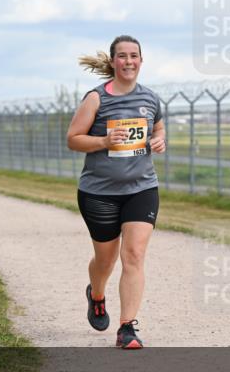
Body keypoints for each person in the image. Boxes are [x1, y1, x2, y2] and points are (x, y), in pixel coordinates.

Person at [67, 35, 166, 349]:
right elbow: (73, 138)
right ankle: (96, 294)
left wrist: (160, 140)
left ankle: (127, 328)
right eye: (122, 56)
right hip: (100, 192)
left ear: (141, 60)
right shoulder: (96, 99)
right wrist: (104, 142)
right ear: (113, 62)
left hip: (142, 188)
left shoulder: (150, 99)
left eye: (134, 56)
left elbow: (159, 127)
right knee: (105, 261)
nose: (128, 61)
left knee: (134, 255)